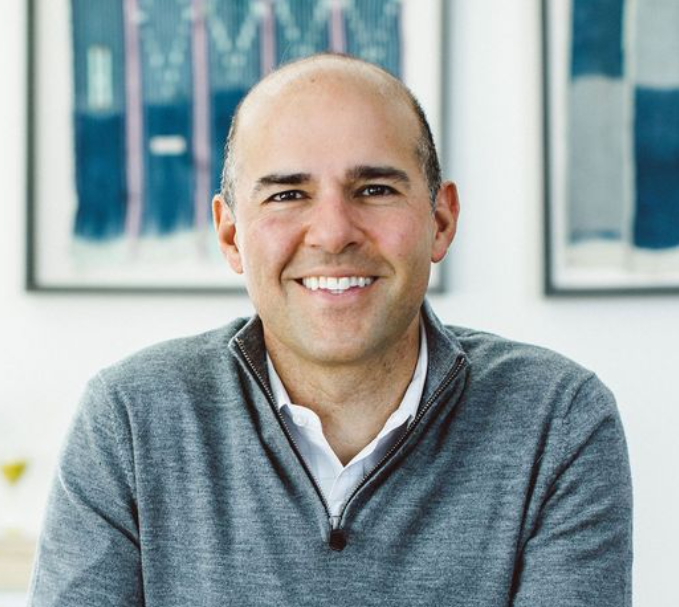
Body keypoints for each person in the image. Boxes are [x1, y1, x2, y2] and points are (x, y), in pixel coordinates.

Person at [29, 54, 633, 606]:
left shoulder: (558, 418)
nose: (333, 232)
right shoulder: (130, 418)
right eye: (288, 194)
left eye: (374, 189)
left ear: (441, 220)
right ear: (231, 235)